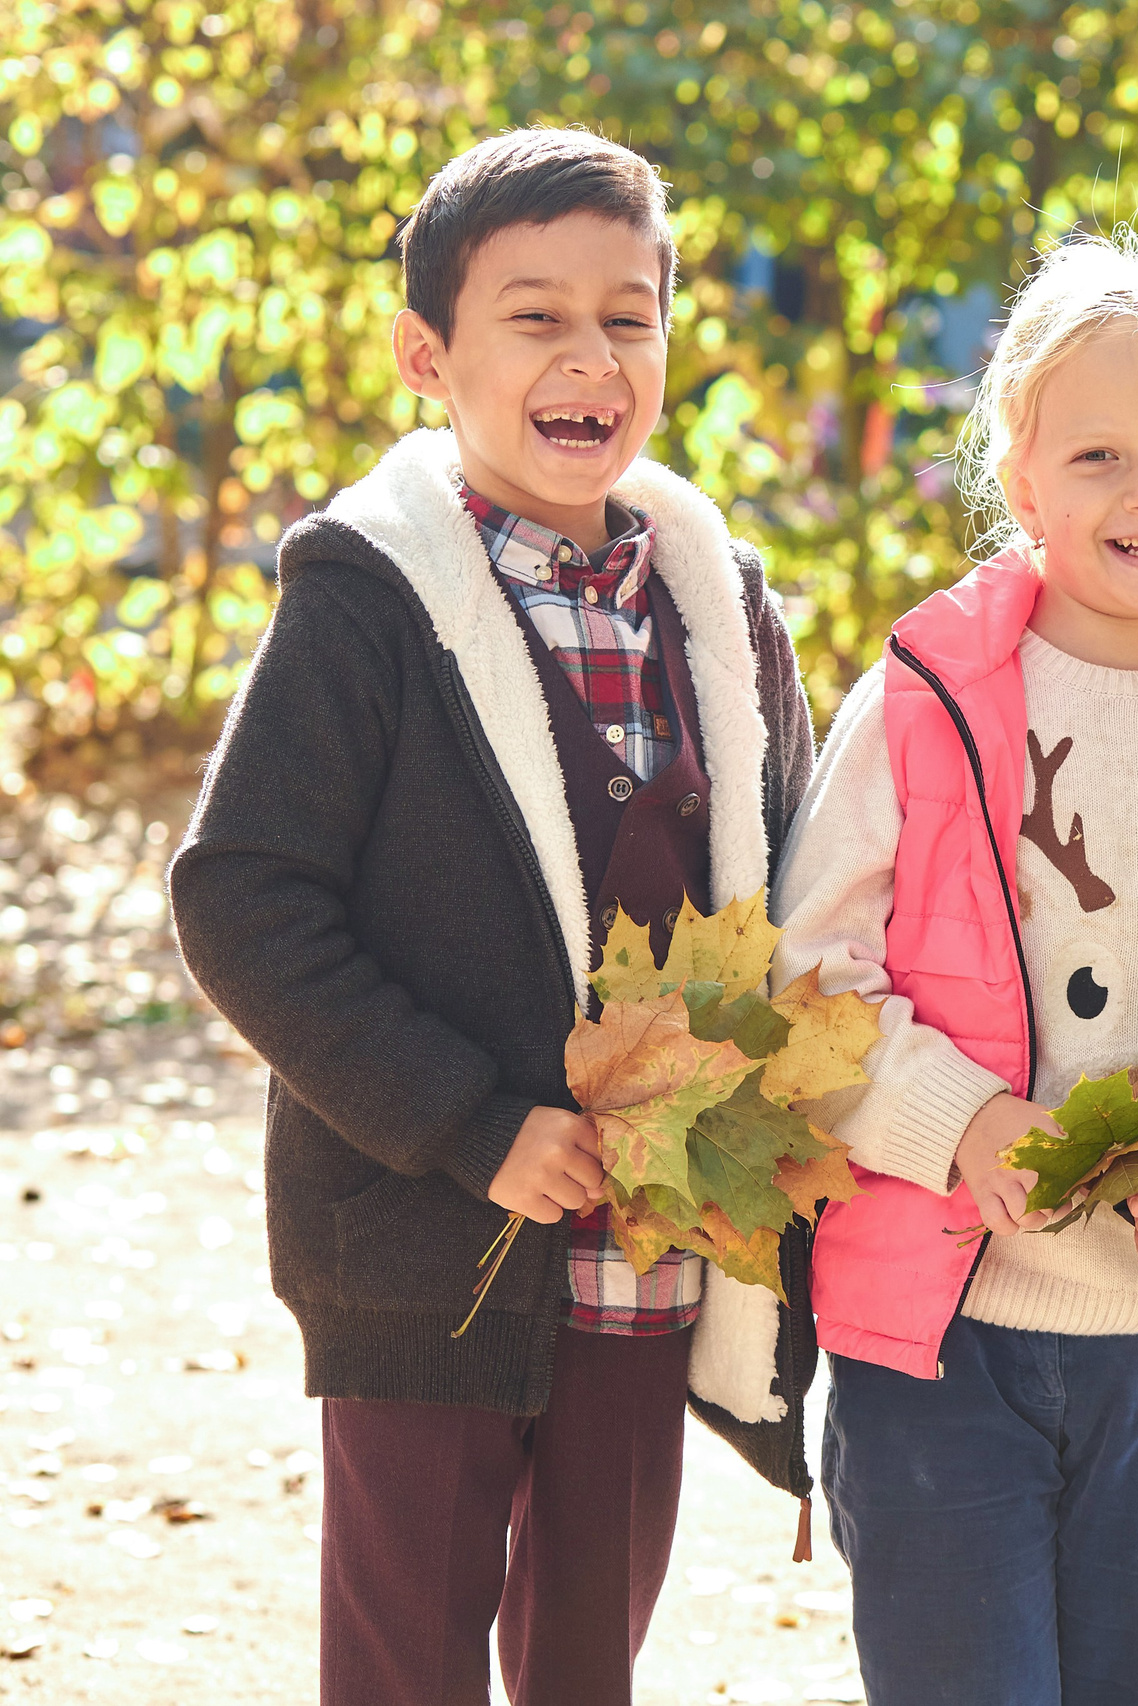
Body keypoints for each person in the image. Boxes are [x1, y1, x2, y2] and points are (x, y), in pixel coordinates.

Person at [167, 129, 818, 1706]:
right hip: (426, 1231)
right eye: (534, 317)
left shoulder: (717, 605)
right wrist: (470, 1123)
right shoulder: (369, 599)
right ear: (425, 353)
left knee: (591, 1643)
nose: (591, 354)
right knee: (407, 1651)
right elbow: (240, 894)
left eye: (630, 315)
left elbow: (797, 882)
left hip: (652, 1228)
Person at [768, 231, 1138, 1706]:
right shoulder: (923, 700)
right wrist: (959, 1124)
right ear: (1019, 484)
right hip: (944, 1338)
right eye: (1096, 457)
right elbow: (806, 984)